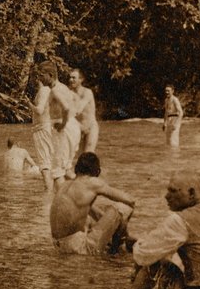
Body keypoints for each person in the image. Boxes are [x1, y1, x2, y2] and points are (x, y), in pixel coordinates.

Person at [49, 152, 136, 255]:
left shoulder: (65, 185)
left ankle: (121, 241)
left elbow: (91, 210)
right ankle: (115, 252)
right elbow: (131, 200)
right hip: (78, 248)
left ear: (76, 169)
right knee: (123, 207)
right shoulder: (93, 182)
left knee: (92, 212)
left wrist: (110, 222)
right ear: (97, 171)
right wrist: (122, 229)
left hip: (59, 246)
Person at [33, 62, 80, 192]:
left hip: (64, 127)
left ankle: (60, 204)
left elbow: (66, 107)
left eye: (42, 76)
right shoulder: (64, 87)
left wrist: (63, 124)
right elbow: (74, 107)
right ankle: (84, 190)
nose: (40, 79)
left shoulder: (54, 90)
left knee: (57, 172)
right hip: (73, 126)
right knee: (65, 170)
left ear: (51, 75)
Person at [68, 68, 99, 154]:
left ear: (81, 79)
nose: (71, 80)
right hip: (78, 128)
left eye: (74, 78)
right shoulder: (69, 93)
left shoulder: (87, 92)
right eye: (70, 77)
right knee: (79, 157)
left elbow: (78, 109)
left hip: (91, 127)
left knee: (89, 154)